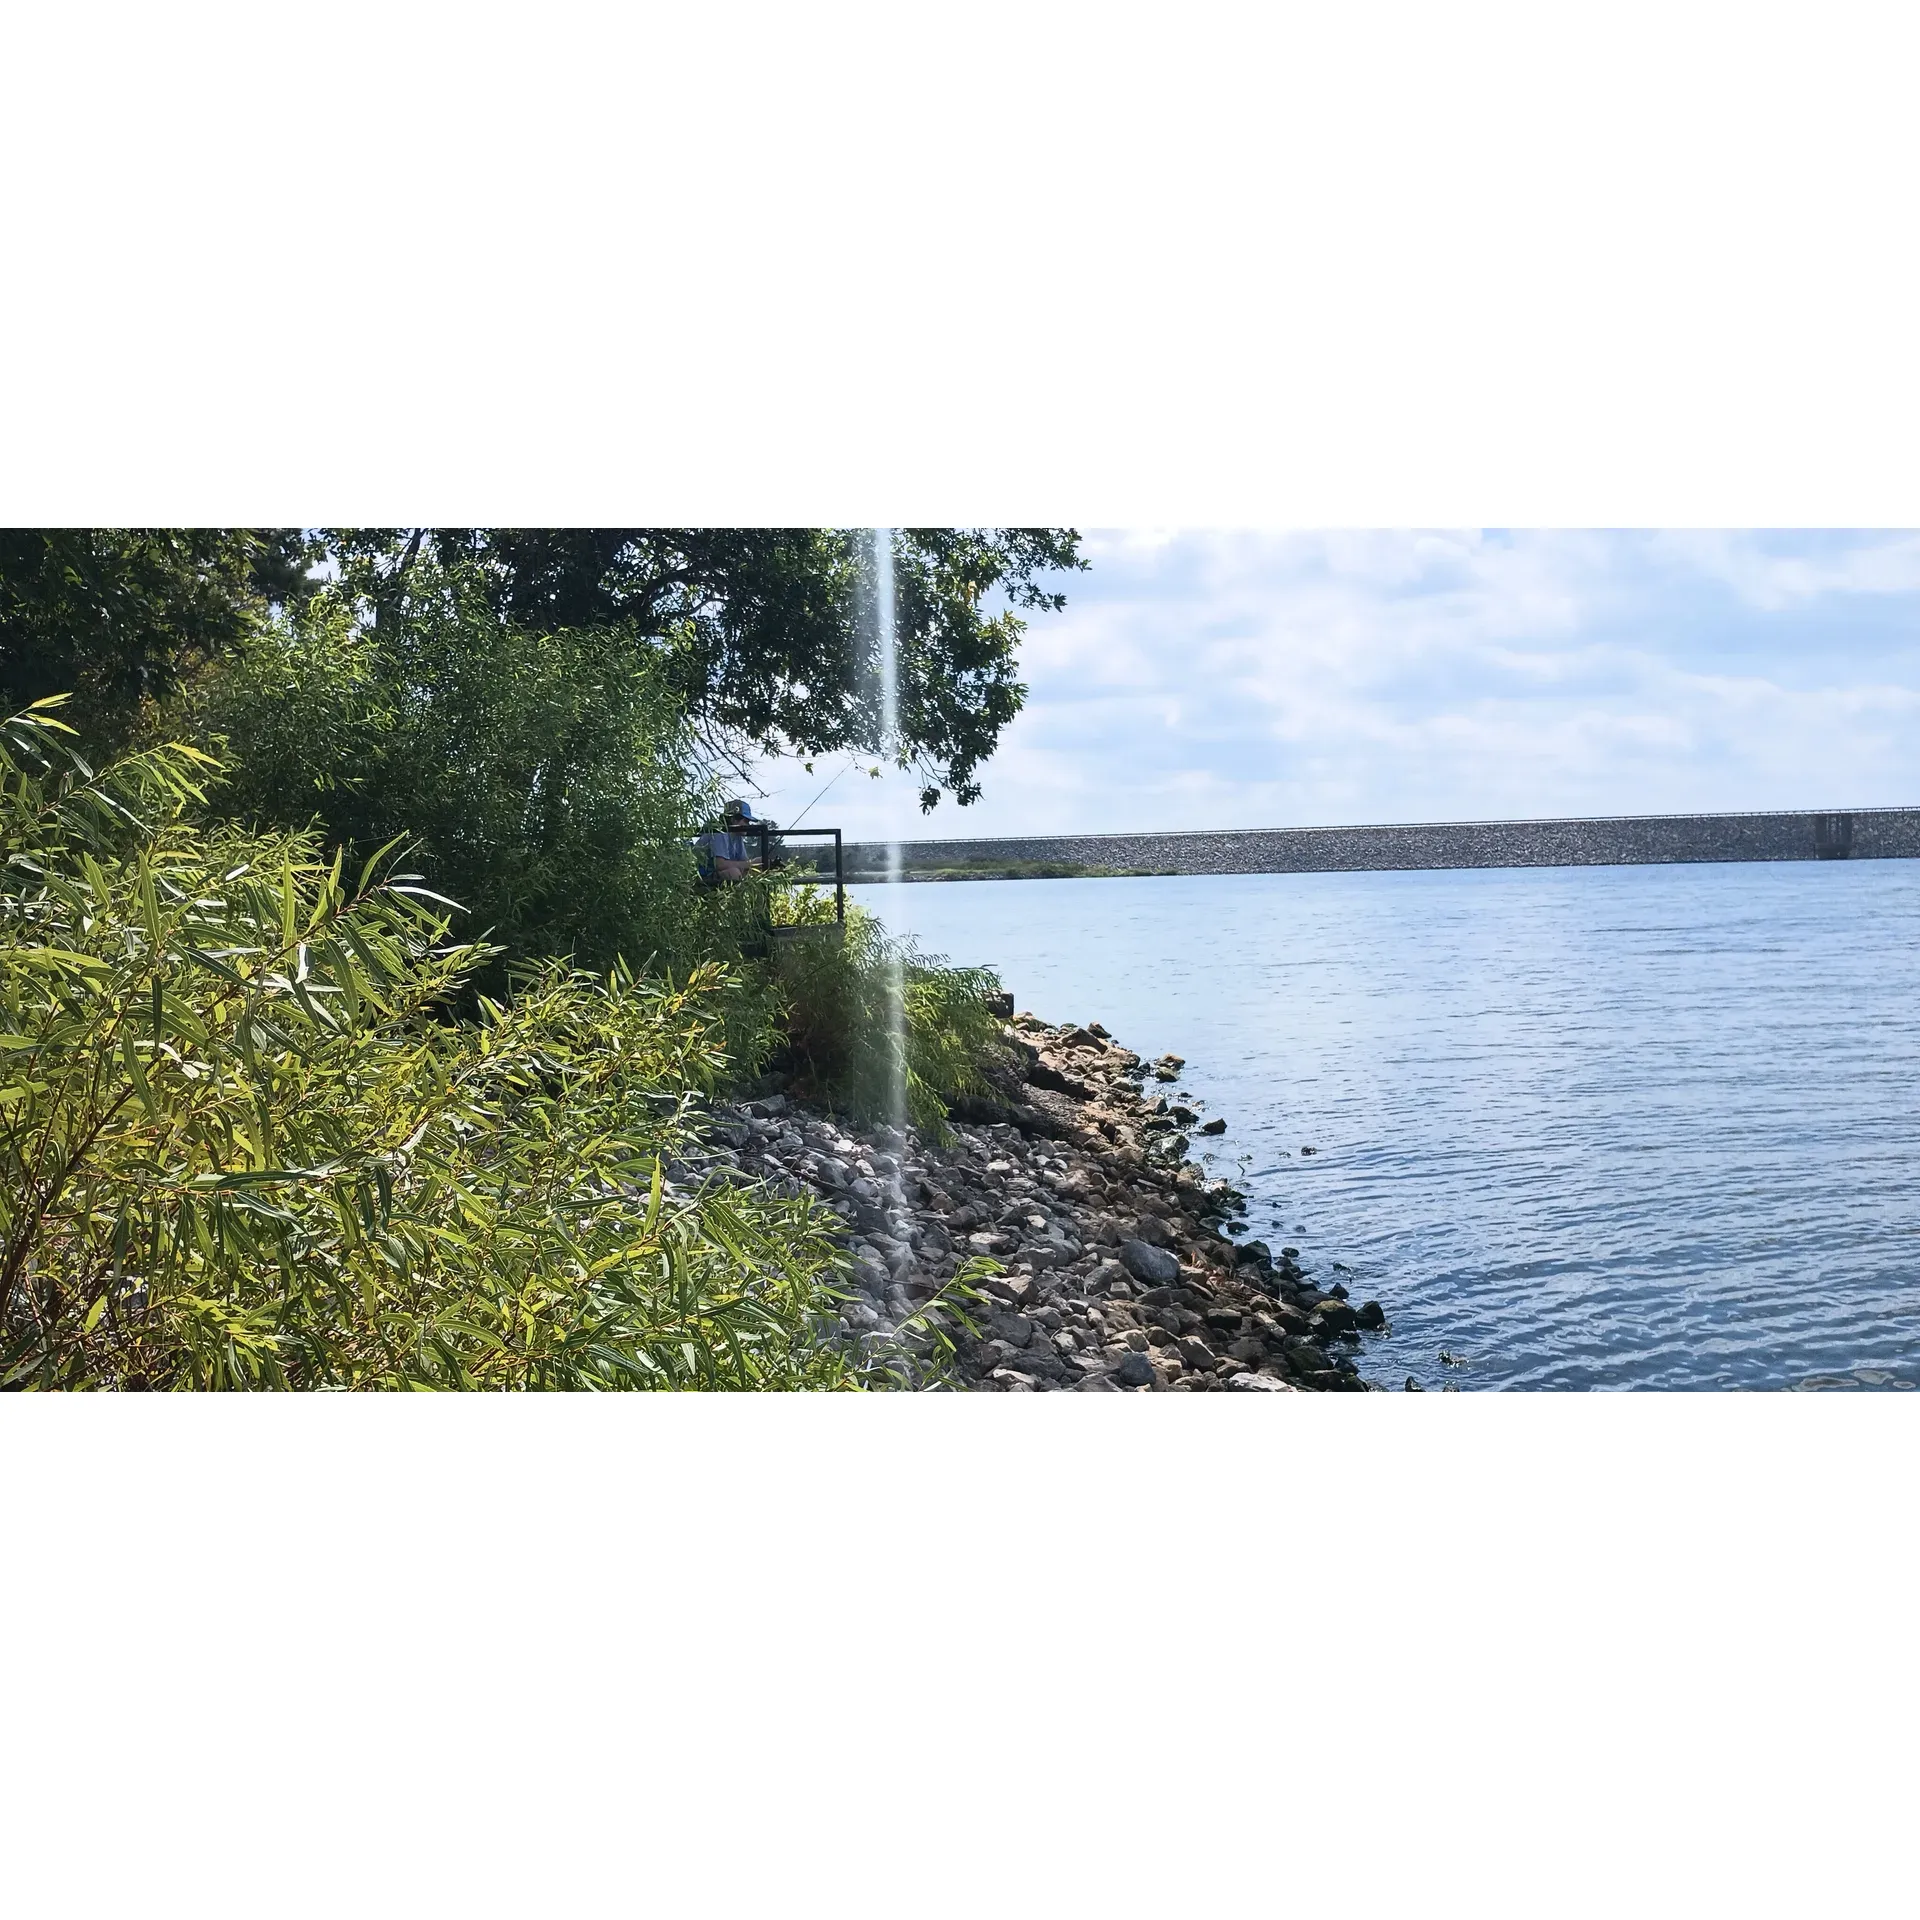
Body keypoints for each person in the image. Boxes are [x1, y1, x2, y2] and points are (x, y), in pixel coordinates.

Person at [695, 800, 759, 883]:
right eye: (746, 821)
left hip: (714, 875)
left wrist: (758, 865)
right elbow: (720, 864)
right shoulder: (720, 831)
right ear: (734, 819)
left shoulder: (737, 836)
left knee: (750, 872)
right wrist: (752, 864)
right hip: (701, 876)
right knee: (734, 873)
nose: (748, 825)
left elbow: (744, 863)